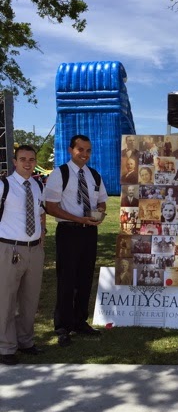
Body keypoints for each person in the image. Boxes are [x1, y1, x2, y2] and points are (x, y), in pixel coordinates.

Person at [45, 134, 108, 347]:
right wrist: (78, 219)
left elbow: (102, 201)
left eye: (88, 150)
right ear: (71, 150)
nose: (85, 154)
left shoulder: (94, 175)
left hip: (89, 233)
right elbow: (51, 207)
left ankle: (80, 321)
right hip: (68, 232)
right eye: (80, 149)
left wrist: (100, 212)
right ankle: (63, 326)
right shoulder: (60, 173)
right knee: (67, 279)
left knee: (85, 277)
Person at [0, 145, 46, 365]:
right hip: (9, 249)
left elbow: (40, 214)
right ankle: (5, 347)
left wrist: (42, 237)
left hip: (34, 250)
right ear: (15, 161)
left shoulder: (38, 185)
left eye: (31, 159)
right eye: (23, 159)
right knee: (6, 300)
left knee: (30, 299)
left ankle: (25, 341)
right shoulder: (4, 185)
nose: (28, 163)